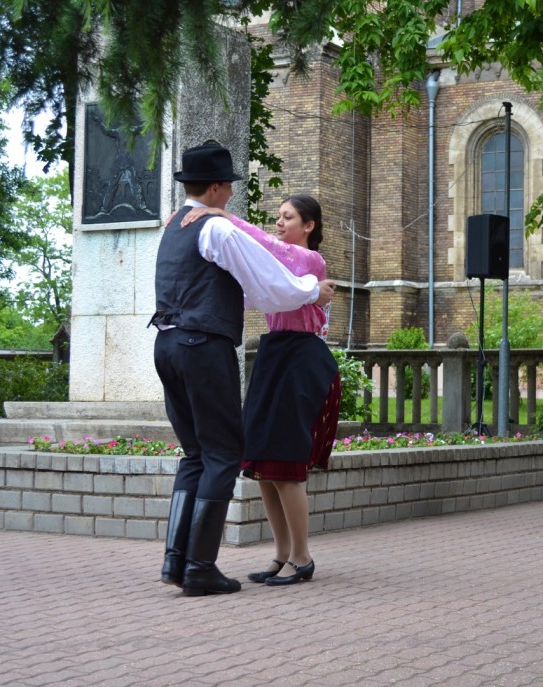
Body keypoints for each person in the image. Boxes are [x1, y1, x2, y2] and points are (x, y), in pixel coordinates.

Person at [151, 141, 335, 596]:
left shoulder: (174, 225)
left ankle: (177, 561)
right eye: (229, 187)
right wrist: (312, 292)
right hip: (201, 345)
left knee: (197, 454)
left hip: (167, 342)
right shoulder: (216, 227)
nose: (231, 195)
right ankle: (199, 567)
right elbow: (267, 279)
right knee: (221, 454)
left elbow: (251, 283)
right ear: (216, 187)